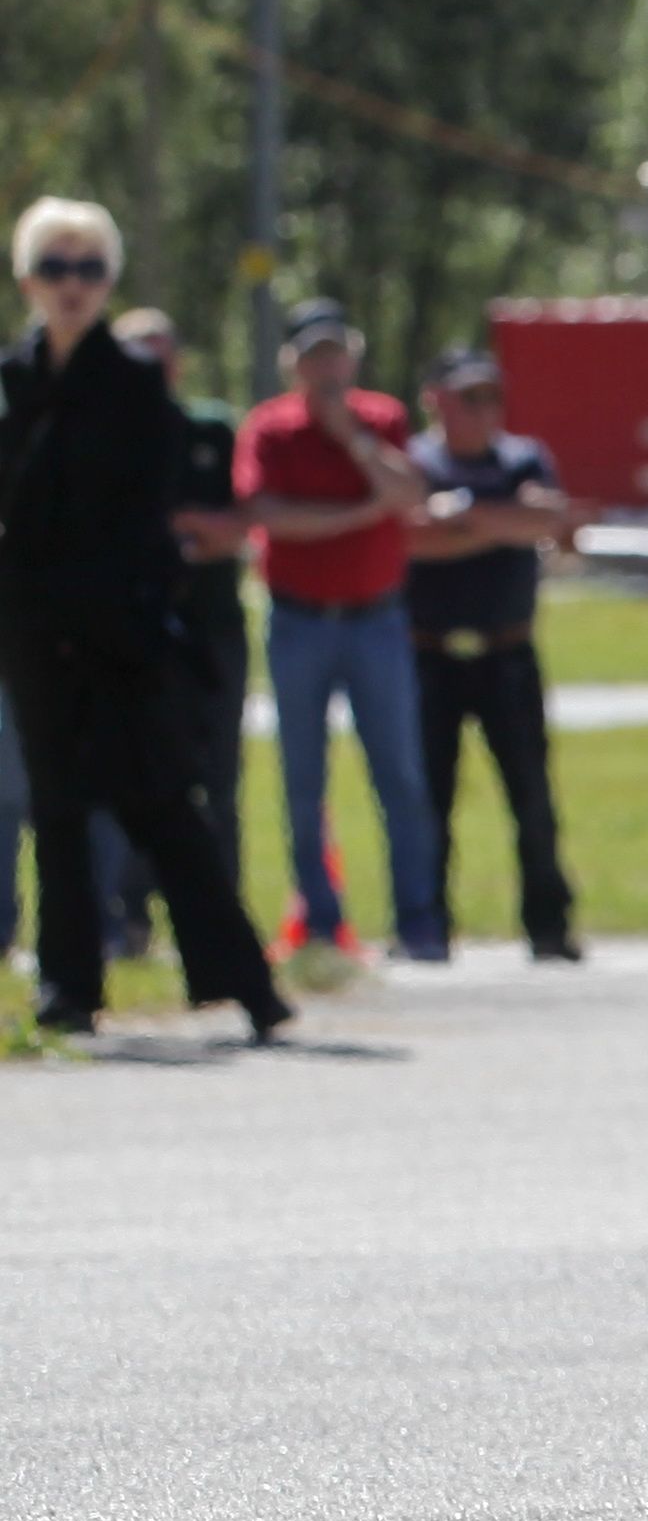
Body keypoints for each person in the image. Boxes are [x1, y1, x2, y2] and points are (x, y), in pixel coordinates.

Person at [0, 197, 287, 1040]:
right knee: (55, 809)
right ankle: (68, 989)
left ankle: (247, 986)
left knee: (160, 803)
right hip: (32, 629)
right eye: (56, 267)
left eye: (88, 269)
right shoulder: (12, 382)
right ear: (28, 280)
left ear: (110, 281)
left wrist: (126, 609)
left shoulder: (132, 385)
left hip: (119, 632)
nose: (72, 285)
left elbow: (148, 513)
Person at [237, 296, 451, 966]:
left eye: (334, 353)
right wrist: (361, 513)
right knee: (303, 778)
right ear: (292, 364)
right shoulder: (270, 429)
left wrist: (352, 439)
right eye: (311, 356)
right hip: (299, 620)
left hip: (375, 621)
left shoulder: (381, 418)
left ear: (351, 358)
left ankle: (418, 921)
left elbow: (409, 494)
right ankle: (323, 922)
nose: (324, 366)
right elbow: (267, 513)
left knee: (400, 774)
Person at [405, 344, 580, 961]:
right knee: (428, 797)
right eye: (468, 398)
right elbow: (411, 538)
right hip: (429, 655)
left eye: (491, 397)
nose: (484, 411)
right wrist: (501, 522)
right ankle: (427, 927)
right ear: (436, 401)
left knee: (531, 795)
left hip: (508, 653)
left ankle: (550, 927)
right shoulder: (417, 462)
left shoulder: (523, 457)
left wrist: (465, 518)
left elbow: (556, 522)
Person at [92, 302, 253, 964]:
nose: (153, 366)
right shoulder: (100, 435)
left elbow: (242, 518)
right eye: (138, 354)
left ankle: (225, 926)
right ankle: (129, 923)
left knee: (218, 778)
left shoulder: (210, 428)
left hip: (209, 629)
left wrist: (179, 535)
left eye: (162, 352)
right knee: (127, 779)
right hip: (131, 635)